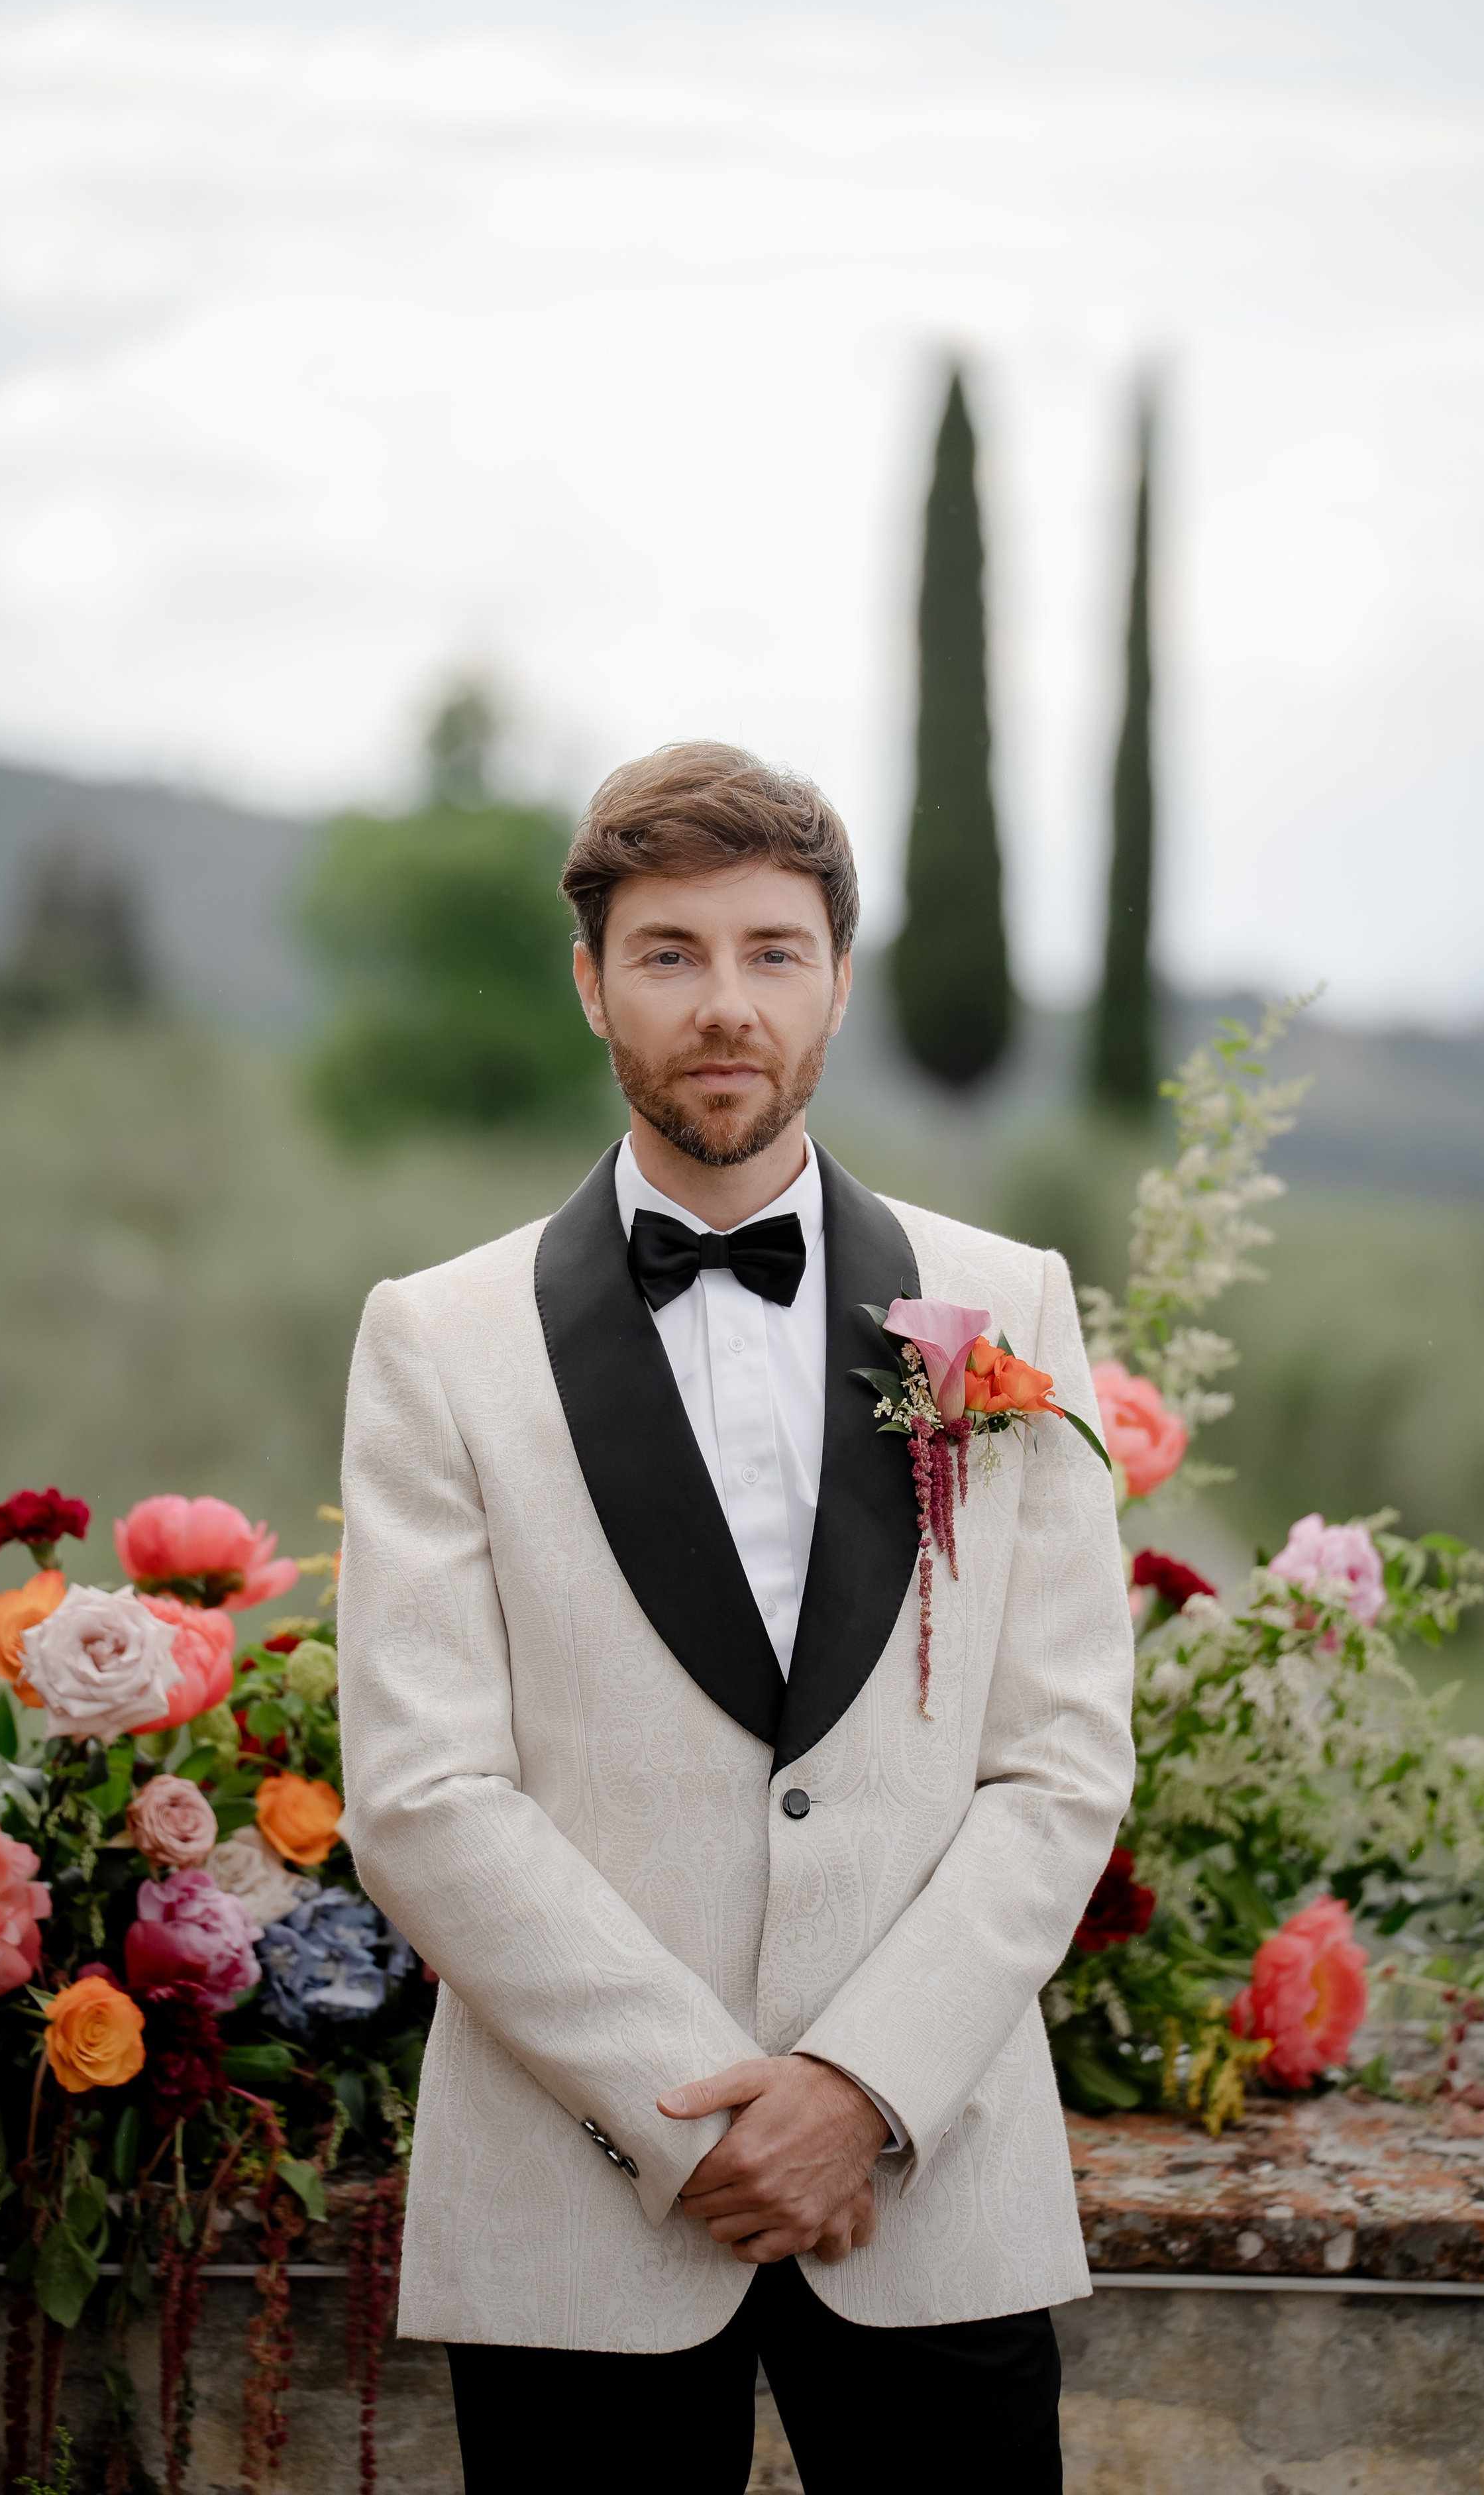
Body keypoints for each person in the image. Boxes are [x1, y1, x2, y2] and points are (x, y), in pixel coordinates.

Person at [337, 741, 1134, 2492]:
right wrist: (689, 2112)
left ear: (841, 979)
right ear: (590, 983)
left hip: (932, 2183)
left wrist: (858, 2086)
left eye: (774, 952)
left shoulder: (1005, 1306)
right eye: (670, 953)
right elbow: (420, 1790)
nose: (725, 1006)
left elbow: (1060, 1765)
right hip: (582, 2197)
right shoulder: (436, 1339)